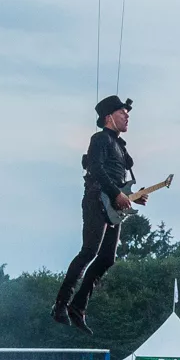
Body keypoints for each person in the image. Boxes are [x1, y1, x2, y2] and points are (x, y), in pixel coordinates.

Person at [54, 94, 140, 333]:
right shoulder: (100, 139)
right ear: (108, 117)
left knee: (107, 258)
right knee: (89, 251)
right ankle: (60, 304)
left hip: (113, 205)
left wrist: (132, 196)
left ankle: (78, 306)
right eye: (122, 112)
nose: (127, 116)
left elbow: (119, 180)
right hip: (96, 200)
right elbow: (95, 168)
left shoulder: (121, 147)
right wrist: (116, 194)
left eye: (127, 113)